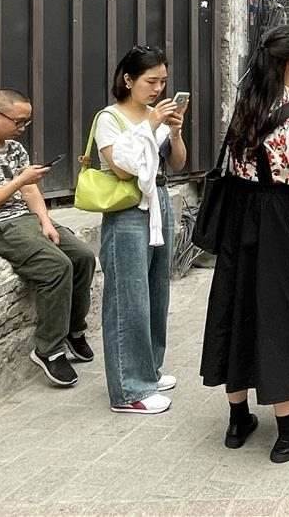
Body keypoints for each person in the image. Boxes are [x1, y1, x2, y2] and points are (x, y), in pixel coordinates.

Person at [200, 26, 289, 463]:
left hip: (240, 216)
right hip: (279, 220)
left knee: (236, 308)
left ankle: (238, 418)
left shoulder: (246, 106)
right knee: (281, 314)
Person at [0, 90, 97, 388]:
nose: (22, 128)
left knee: (82, 256)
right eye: (18, 121)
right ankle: (49, 349)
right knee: (56, 266)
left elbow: (30, 191)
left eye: (26, 122)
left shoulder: (15, 149)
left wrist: (46, 222)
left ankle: (74, 330)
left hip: (24, 219)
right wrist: (19, 180)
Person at [93, 46, 187, 414]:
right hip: (127, 208)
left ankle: (149, 369)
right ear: (128, 80)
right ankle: (128, 389)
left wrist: (174, 133)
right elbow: (120, 167)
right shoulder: (109, 118)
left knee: (155, 292)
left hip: (157, 202)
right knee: (128, 297)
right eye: (151, 81)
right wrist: (150, 126)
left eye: (163, 81)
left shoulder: (156, 115)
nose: (158, 89)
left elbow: (177, 163)